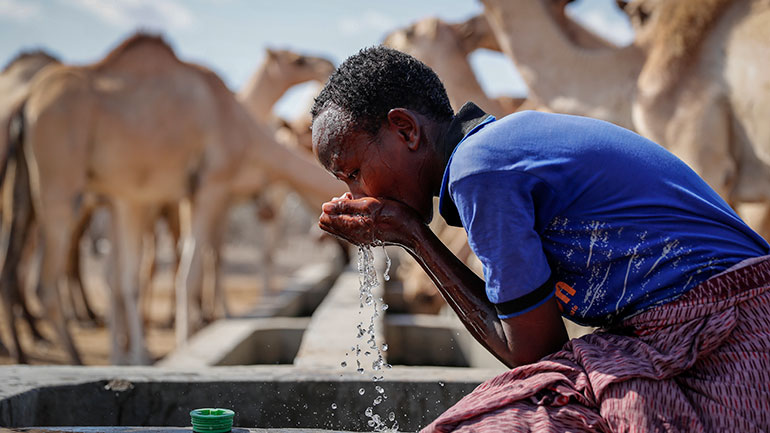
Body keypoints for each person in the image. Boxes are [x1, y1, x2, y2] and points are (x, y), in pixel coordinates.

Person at [310, 46, 770, 432]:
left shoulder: (480, 170)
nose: (355, 194)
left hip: (730, 335)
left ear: (406, 130)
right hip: (704, 326)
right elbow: (534, 341)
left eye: (353, 172)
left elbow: (533, 351)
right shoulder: (496, 149)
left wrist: (412, 235)